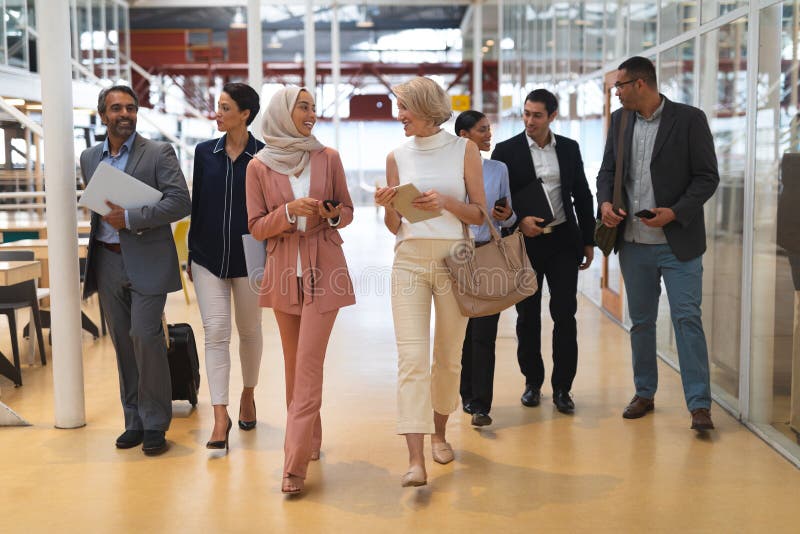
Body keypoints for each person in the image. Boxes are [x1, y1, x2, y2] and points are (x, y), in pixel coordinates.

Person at [596, 56, 719, 430]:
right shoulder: (619, 121)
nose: (615, 92)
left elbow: (707, 177)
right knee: (642, 322)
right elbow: (608, 171)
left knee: (687, 319)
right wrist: (604, 203)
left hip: (677, 241)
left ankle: (699, 405)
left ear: (641, 84)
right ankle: (644, 392)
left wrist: (675, 212)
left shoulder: (689, 119)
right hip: (633, 243)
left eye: (620, 85)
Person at [374, 77, 486, 488]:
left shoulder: (465, 149)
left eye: (403, 107)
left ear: (424, 107)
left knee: (448, 356)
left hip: (456, 257)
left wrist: (445, 203)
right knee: (412, 359)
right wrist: (389, 208)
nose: (398, 115)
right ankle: (415, 458)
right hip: (409, 259)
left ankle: (440, 432)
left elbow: (479, 215)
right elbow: (394, 227)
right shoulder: (396, 155)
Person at [246, 86, 355, 494]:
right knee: (295, 366)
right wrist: (288, 211)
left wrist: (330, 215)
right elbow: (256, 226)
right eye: (303, 107)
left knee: (307, 364)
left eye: (313, 107)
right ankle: (309, 439)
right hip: (282, 272)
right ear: (282, 112)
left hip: (325, 268)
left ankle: (293, 467)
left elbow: (347, 211)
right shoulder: (258, 166)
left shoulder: (328, 158)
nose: (312, 113)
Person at [80, 85, 191, 455]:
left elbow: (180, 202)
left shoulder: (158, 153)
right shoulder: (89, 157)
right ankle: (135, 421)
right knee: (123, 344)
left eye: (130, 107)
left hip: (147, 258)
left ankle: (156, 422)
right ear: (103, 115)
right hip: (107, 259)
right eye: (116, 108)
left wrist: (130, 217)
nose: (124, 114)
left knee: (145, 337)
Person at [492, 88, 595, 415]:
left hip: (563, 240)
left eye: (537, 115)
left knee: (565, 315)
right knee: (527, 316)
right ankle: (532, 382)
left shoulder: (568, 148)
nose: (529, 121)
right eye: (525, 113)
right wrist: (519, 222)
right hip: (526, 242)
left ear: (552, 116)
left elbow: (582, 194)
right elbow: (497, 200)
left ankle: (563, 388)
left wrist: (589, 240)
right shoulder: (505, 151)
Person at [188, 83, 264, 451]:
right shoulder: (205, 153)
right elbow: (197, 204)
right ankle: (220, 415)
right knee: (215, 332)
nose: (217, 113)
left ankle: (248, 393)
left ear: (245, 114)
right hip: (206, 256)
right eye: (217, 106)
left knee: (249, 331)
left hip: (251, 257)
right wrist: (190, 253)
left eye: (224, 107)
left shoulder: (264, 157)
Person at [454, 110, 516, 427]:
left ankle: (481, 404)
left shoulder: (498, 169)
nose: (489, 135)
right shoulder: (448, 171)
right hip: (454, 257)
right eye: (482, 130)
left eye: (489, 129)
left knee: (484, 333)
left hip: (488, 253)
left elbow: (510, 217)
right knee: (459, 332)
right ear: (464, 136)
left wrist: (506, 215)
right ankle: (464, 394)